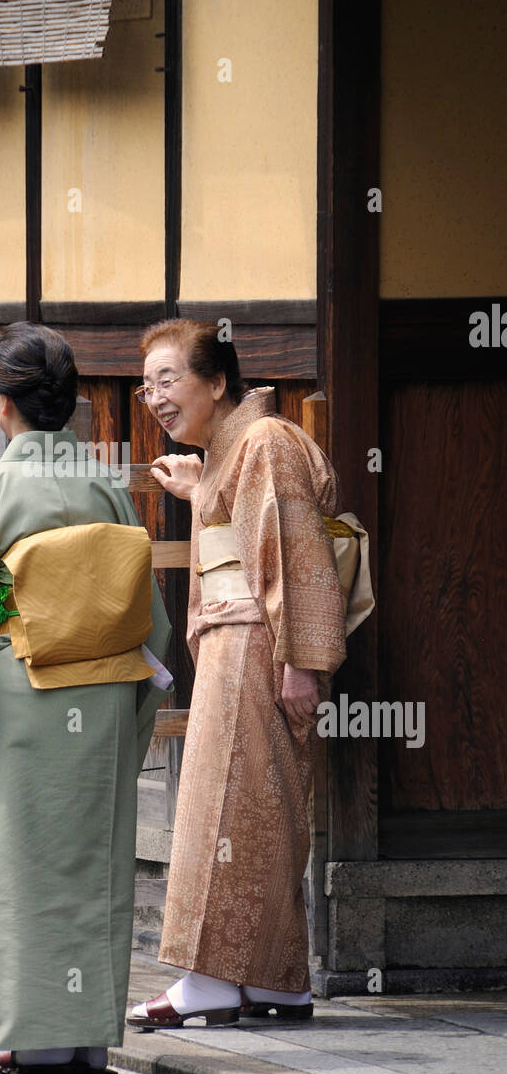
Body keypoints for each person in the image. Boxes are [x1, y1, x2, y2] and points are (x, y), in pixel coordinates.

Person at [0, 322, 173, 1074]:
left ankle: (28, 1037)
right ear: (69, 405)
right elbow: (149, 621)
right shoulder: (106, 486)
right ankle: (88, 1035)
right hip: (100, 696)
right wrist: (130, 725)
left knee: (23, 863)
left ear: (2, 405)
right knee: (91, 861)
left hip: (26, 695)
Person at [127, 319, 347, 1028]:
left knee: (229, 806)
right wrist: (201, 489)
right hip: (239, 642)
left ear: (217, 381)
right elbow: (241, 529)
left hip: (258, 645)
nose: (154, 397)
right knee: (252, 810)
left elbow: (294, 556)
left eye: (169, 380)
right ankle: (277, 980)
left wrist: (301, 663)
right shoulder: (235, 450)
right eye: (147, 386)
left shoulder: (264, 443)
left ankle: (213, 979)